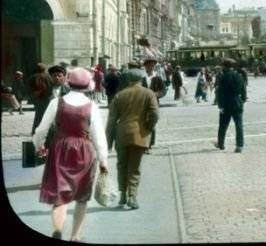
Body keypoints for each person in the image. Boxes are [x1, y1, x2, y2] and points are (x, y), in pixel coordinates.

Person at [33, 67, 108, 241]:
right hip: (84, 151)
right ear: (87, 86)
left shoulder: (56, 102)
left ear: (69, 82)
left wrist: (39, 146)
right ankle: (75, 236)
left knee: (60, 196)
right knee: (81, 197)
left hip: (60, 148)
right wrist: (103, 161)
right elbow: (99, 136)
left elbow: (41, 130)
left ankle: (58, 229)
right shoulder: (92, 106)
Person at [106, 70, 159, 209]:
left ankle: (123, 194)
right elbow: (154, 114)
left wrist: (108, 142)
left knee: (121, 165)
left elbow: (111, 121)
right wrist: (148, 127)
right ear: (141, 79)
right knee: (134, 167)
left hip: (121, 134)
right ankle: (132, 196)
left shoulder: (119, 95)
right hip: (139, 134)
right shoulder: (148, 93)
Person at [215, 58, 247, 152]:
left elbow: (219, 92)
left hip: (226, 103)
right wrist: (242, 101)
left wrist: (220, 105)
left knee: (223, 125)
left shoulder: (222, 76)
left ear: (224, 66)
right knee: (239, 125)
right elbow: (244, 91)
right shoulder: (239, 75)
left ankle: (221, 144)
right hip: (237, 102)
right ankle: (239, 146)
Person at [143, 56, 166, 152]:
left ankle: (150, 143)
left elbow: (163, 90)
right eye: (148, 66)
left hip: (154, 104)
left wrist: (157, 94)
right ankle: (145, 145)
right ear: (145, 67)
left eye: (152, 66)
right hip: (142, 104)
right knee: (143, 123)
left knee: (152, 123)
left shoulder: (157, 78)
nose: (150, 67)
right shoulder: (142, 78)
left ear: (154, 66)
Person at [28, 63, 54, 134]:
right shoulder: (48, 77)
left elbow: (30, 89)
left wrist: (33, 98)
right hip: (48, 99)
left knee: (38, 116)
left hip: (38, 99)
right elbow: (51, 87)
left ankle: (36, 131)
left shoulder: (33, 77)